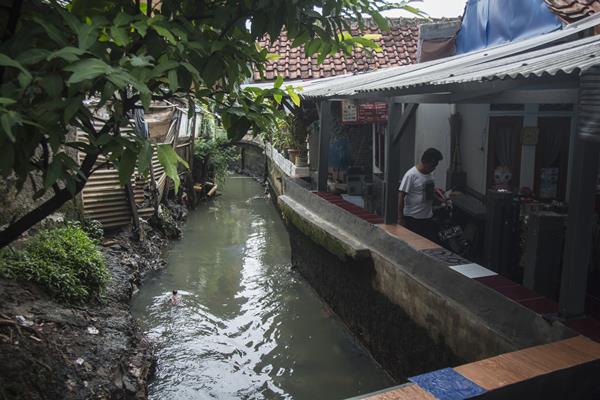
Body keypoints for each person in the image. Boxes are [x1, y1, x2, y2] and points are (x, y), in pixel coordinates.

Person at [398, 148, 443, 242]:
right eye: (433, 165)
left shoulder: (430, 174)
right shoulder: (411, 175)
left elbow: (429, 192)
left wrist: (440, 199)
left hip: (427, 217)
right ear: (425, 162)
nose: (434, 168)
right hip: (413, 219)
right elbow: (401, 196)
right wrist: (400, 218)